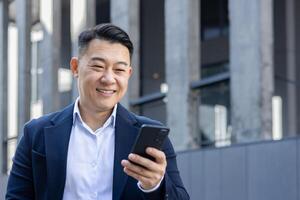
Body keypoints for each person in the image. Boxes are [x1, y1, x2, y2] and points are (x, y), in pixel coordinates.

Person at [6, 23, 189, 200]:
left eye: (119, 69)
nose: (109, 79)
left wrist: (156, 185)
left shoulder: (151, 135)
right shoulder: (36, 133)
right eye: (98, 67)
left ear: (129, 74)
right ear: (75, 67)